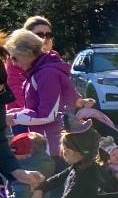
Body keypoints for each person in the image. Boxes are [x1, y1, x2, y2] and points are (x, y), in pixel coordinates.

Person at [5, 27, 80, 159]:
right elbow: (37, 109)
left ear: (26, 53)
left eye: (14, 58)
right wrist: (16, 113)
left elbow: (48, 114)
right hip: (49, 145)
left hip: (54, 148)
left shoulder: (47, 74)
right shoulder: (40, 72)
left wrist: (15, 118)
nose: (13, 63)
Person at [5, 16, 55, 124]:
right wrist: (38, 111)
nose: (45, 39)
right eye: (40, 35)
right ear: (27, 37)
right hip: (23, 116)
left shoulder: (54, 57)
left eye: (49, 35)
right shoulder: (15, 58)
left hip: (49, 113)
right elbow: (15, 87)